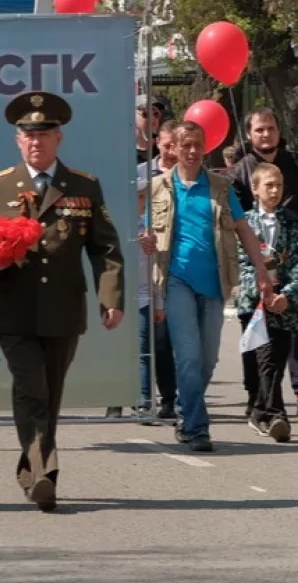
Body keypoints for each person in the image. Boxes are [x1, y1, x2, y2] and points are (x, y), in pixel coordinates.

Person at [0, 91, 123, 511]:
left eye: (43, 134)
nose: (35, 141)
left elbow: (105, 249)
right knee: (31, 387)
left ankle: (32, 470)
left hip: (63, 308)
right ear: (17, 141)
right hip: (14, 307)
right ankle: (45, 473)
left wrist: (110, 297)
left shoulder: (83, 186)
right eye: (27, 135)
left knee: (50, 393)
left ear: (59, 138)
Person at [139, 121, 274, 453]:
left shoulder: (220, 186)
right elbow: (143, 232)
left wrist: (261, 270)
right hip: (175, 280)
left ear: (206, 147)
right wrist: (144, 240)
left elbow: (243, 230)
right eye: (185, 144)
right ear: (174, 147)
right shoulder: (157, 187)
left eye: (197, 144)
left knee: (208, 357)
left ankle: (186, 412)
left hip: (214, 280)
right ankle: (198, 428)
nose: (191, 151)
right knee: (187, 355)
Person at [227, 109, 298, 423]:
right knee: (256, 329)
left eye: (271, 128)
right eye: (260, 130)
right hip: (255, 267)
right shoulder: (239, 172)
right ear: (250, 134)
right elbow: (234, 223)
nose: (266, 135)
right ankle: (258, 397)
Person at [236, 164, 298, 443]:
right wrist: (261, 292)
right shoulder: (243, 223)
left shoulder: (294, 223)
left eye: (278, 185)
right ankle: (276, 413)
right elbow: (240, 263)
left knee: (276, 357)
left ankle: (261, 411)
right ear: (255, 189)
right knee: (262, 358)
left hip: (283, 302)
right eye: (268, 185)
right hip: (254, 300)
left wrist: (287, 296)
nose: (274, 190)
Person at [134, 120, 179, 423]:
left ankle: (169, 399)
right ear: (157, 141)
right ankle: (140, 399)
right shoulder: (140, 176)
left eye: (179, 143)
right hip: (145, 275)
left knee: (166, 343)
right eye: (167, 143)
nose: (173, 149)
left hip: (176, 267)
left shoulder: (191, 177)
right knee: (143, 342)